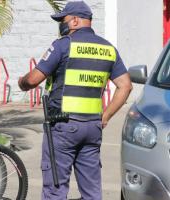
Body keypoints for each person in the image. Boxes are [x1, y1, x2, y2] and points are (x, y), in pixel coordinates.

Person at [18, 1, 132, 199]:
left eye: (63, 20)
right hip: (93, 127)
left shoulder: (63, 45)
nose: (61, 25)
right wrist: (105, 116)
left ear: (76, 20)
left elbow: (34, 79)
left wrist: (22, 82)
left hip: (63, 127)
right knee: (91, 193)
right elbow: (126, 85)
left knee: (55, 190)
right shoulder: (108, 49)